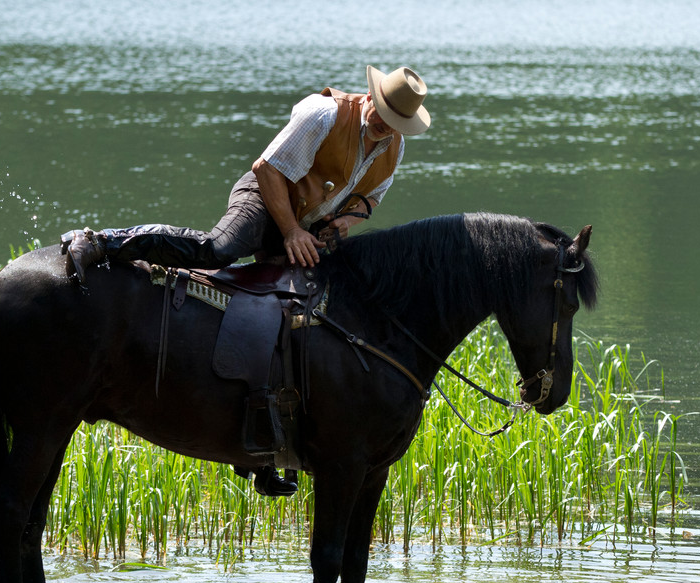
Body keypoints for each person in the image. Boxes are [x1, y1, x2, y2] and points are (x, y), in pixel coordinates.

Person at [61, 65, 431, 495]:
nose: (383, 124)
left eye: (393, 122)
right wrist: (291, 232)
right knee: (216, 250)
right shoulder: (324, 114)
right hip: (265, 196)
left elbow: (368, 199)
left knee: (309, 318)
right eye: (381, 112)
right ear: (371, 97)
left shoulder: (393, 146)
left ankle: (266, 448)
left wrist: (342, 222)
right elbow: (267, 169)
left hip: (307, 224)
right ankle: (103, 241)